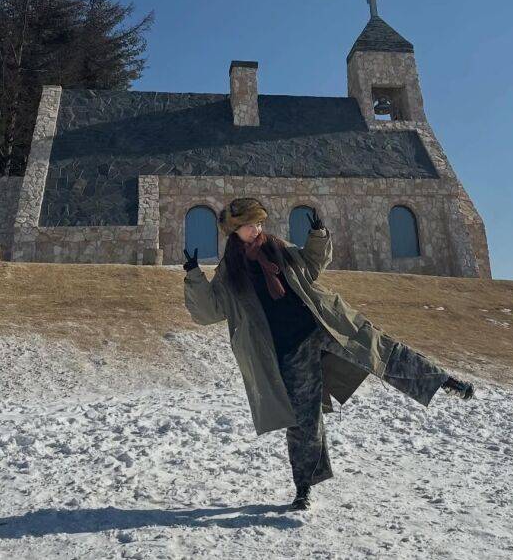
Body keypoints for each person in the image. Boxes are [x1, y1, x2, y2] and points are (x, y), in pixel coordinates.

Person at [182, 197, 474, 512]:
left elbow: (310, 266)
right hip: (288, 351)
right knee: (303, 419)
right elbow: (208, 311)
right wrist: (194, 275)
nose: (256, 229)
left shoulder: (278, 248)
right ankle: (303, 488)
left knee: (381, 350)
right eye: (249, 225)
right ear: (235, 230)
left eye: (258, 222)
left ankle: (442, 381)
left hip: (324, 325)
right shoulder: (230, 273)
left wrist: (318, 236)